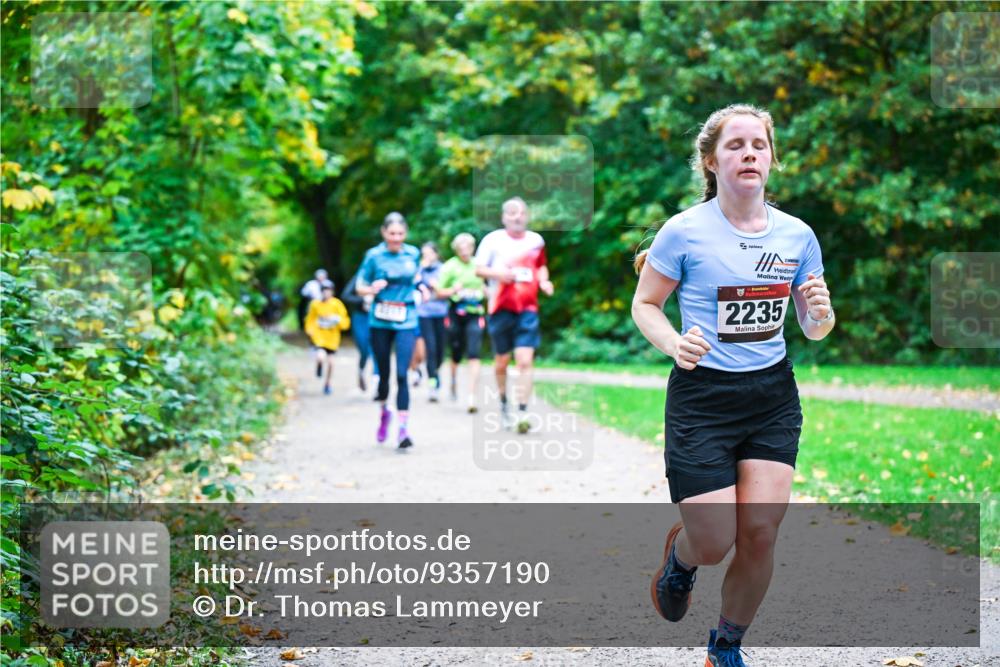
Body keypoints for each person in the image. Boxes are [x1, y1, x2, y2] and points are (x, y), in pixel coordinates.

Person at [631, 103, 835, 667]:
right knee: (716, 540)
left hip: (771, 396)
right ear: (711, 161)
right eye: (735, 145)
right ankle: (682, 557)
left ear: (771, 159)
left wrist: (820, 312)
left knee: (762, 534)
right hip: (702, 398)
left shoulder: (797, 236)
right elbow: (645, 304)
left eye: (759, 145)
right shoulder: (684, 232)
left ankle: (725, 647)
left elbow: (815, 330)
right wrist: (674, 343)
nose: (749, 153)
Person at [475, 197, 554, 433]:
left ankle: (522, 412)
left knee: (525, 361)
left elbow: (540, 266)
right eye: (511, 213)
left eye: (520, 213)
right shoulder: (492, 240)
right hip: (500, 308)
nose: (516, 217)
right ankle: (503, 405)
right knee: (502, 362)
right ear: (503, 217)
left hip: (527, 309)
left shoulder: (535, 241)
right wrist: (498, 274)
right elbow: (478, 269)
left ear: (527, 216)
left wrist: (544, 281)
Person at [355, 212, 421, 449]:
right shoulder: (373, 256)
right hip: (380, 320)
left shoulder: (413, 253)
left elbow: (417, 280)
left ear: (406, 233)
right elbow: (359, 287)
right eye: (392, 233)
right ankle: (385, 412)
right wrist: (371, 288)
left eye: (400, 234)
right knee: (383, 375)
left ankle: (403, 430)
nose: (396, 238)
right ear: (384, 233)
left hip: (406, 318)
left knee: (402, 374)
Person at [436, 232, 486, 413]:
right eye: (461, 248)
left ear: (473, 248)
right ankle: (454, 381)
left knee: (474, 353)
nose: (465, 251)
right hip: (455, 314)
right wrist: (452, 290)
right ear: (456, 250)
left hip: (475, 313)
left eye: (468, 248)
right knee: (456, 352)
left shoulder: (479, 265)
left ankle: (472, 396)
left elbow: (485, 285)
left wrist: (486, 292)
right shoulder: (450, 267)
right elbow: (438, 292)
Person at [414, 242, 449, 402]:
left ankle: (435, 371)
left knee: (440, 351)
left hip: (441, 314)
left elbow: (447, 290)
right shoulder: (419, 269)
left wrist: (437, 288)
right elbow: (413, 283)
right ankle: (433, 383)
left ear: (436, 254)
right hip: (424, 314)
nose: (427, 257)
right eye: (424, 254)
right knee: (431, 349)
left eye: (429, 254)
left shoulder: (443, 269)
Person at [303, 281, 351, 395]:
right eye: (324, 290)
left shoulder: (337, 304)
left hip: (332, 339)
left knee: (331, 363)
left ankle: (327, 383)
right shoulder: (315, 304)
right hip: (319, 337)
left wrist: (337, 321)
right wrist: (310, 331)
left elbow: (345, 322)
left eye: (328, 290)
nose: (326, 293)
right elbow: (310, 320)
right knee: (320, 356)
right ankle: (319, 365)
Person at [341, 270, 379, 392]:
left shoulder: (381, 277)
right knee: (364, 349)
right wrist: (362, 300)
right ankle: (361, 371)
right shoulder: (359, 277)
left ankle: (376, 379)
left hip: (377, 317)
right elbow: (346, 295)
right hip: (360, 318)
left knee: (376, 349)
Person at [299, 268, 328, 335]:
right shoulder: (311, 284)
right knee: (311, 318)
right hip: (313, 303)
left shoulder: (328, 283)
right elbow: (304, 293)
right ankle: (311, 332)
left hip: (326, 304)